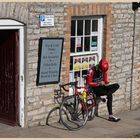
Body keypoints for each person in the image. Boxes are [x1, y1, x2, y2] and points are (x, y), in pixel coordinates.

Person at [87, 57, 121, 122]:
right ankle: (111, 116)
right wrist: (98, 83)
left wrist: (106, 82)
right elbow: (89, 83)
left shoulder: (104, 71)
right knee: (110, 95)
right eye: (102, 70)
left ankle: (107, 95)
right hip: (95, 88)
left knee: (116, 85)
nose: (103, 72)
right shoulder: (92, 70)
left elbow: (105, 80)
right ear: (99, 67)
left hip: (102, 87)